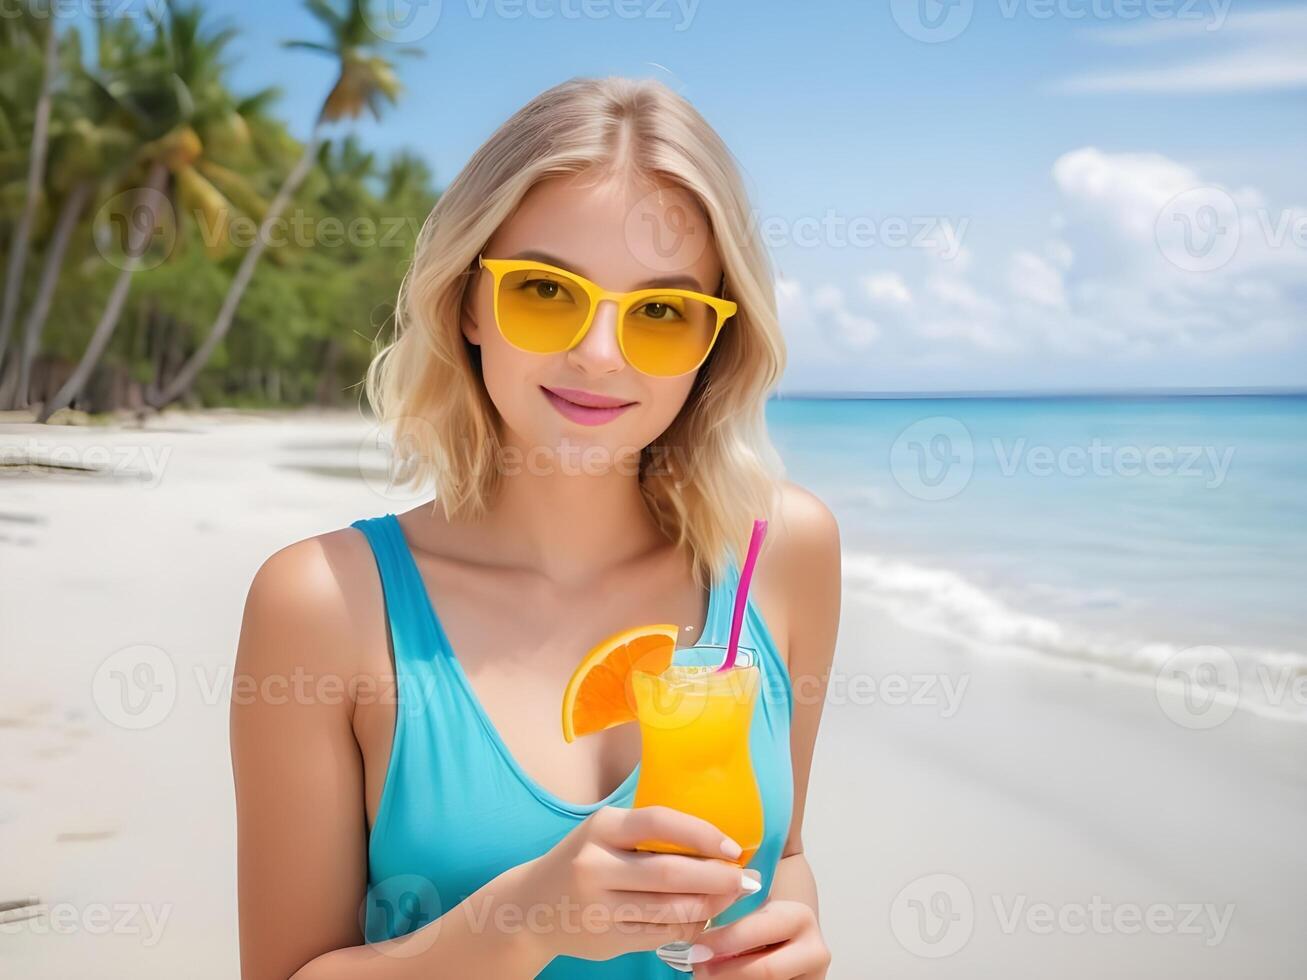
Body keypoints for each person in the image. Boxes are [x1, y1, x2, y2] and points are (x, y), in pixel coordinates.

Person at [231, 75, 841, 979]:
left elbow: (780, 858)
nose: (599, 353)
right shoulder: (322, 605)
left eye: (662, 312)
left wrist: (788, 929)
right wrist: (522, 921)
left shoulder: (783, 551)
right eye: (548, 291)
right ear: (469, 300)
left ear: (714, 340)